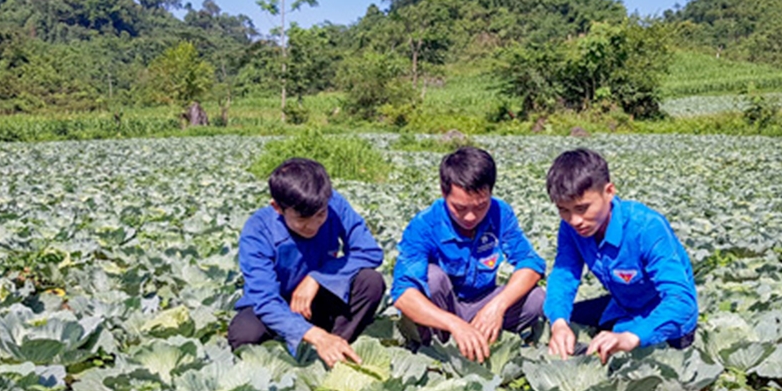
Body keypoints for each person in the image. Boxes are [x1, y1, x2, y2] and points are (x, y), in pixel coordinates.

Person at [391, 146, 546, 362]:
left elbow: (530, 263)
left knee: (536, 298)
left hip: (480, 305)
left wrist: (496, 307)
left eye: (481, 206)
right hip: (440, 314)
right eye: (460, 208)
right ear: (444, 192)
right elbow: (403, 295)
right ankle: (438, 351)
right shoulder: (424, 225)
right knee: (432, 278)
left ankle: (481, 338)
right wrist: (454, 324)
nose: (471, 216)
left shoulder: (500, 213)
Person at [543, 148, 698, 364]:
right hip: (623, 305)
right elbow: (564, 274)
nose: (574, 219)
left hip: (665, 319)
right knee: (555, 320)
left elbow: (681, 301)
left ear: (609, 191)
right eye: (563, 210)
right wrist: (559, 323)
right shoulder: (571, 227)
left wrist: (630, 337)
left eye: (582, 208)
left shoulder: (646, 227)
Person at [228, 157, 385, 367]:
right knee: (245, 334)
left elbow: (369, 251)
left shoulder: (335, 204)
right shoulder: (257, 230)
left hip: (320, 299)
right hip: (277, 306)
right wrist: (317, 336)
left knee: (370, 282)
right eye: (302, 219)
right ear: (277, 208)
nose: (313, 226)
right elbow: (265, 300)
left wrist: (317, 278)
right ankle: (312, 343)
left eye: (320, 215)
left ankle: (337, 347)